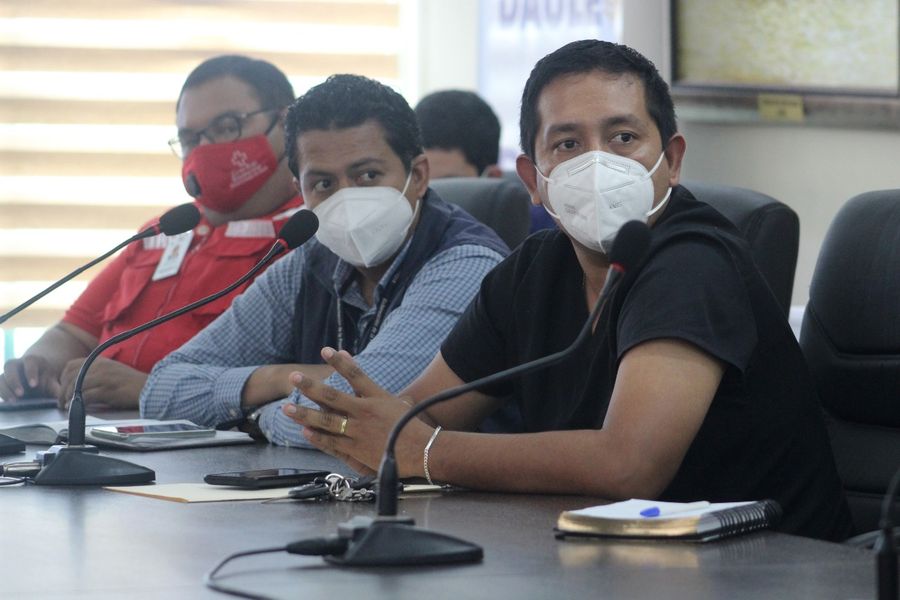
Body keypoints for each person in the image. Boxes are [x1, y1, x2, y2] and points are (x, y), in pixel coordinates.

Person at [282, 40, 853, 541]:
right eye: (568, 144)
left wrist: (422, 451)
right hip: (602, 556)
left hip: (766, 566)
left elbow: (630, 464)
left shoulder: (693, 261)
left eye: (623, 137)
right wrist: (368, 425)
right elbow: (421, 415)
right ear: (534, 180)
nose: (598, 162)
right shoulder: (534, 268)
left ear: (672, 160)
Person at [139, 74, 508, 447]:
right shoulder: (308, 262)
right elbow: (160, 392)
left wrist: (255, 417)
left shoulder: (467, 263)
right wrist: (276, 379)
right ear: (299, 190)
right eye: (323, 184)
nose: (346, 198)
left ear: (418, 177)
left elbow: (355, 418)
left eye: (368, 175)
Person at [0, 55, 303, 409]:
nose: (204, 149)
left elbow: (289, 383)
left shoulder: (306, 236)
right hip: (90, 428)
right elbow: (72, 333)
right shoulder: (163, 232)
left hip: (201, 436)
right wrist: (36, 366)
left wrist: (148, 390)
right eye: (189, 138)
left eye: (226, 126)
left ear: (286, 123)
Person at [415, 89, 554, 233]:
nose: (428, 196)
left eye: (450, 184)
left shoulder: (550, 234)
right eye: (418, 178)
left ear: (492, 177)